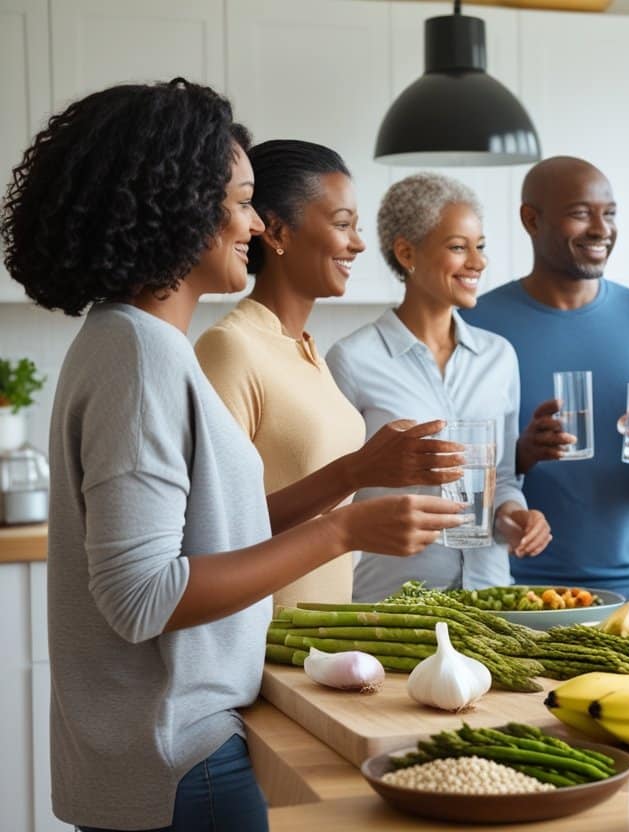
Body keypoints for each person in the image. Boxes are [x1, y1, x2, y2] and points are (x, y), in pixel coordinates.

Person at [0, 80, 465, 831]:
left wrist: (350, 479)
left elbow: (212, 530)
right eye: (244, 202)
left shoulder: (135, 342)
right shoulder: (142, 358)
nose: (255, 225)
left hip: (167, 750)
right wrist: (343, 531)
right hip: (180, 757)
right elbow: (143, 597)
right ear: (179, 206)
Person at [195, 141, 467, 609]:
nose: (358, 243)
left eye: (356, 227)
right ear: (276, 229)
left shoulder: (308, 353)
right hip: (262, 649)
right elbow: (216, 532)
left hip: (323, 645)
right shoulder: (230, 348)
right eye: (342, 225)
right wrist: (358, 471)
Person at [462, 156, 629, 599]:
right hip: (515, 588)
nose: (601, 228)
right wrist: (522, 454)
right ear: (531, 219)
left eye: (609, 213)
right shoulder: (475, 324)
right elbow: (455, 480)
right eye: (581, 213)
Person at [327, 172, 551, 602]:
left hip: (489, 603)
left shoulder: (498, 357)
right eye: (458, 247)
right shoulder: (353, 361)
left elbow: (501, 478)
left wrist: (515, 517)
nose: (478, 262)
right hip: (391, 604)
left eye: (480, 246)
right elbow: (334, 495)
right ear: (407, 252)